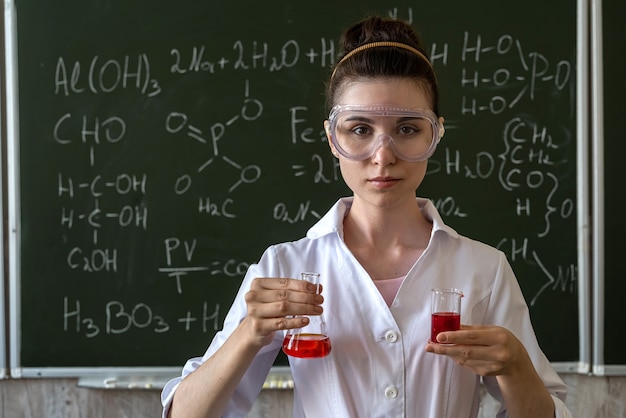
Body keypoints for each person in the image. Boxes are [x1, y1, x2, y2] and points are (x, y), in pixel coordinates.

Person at [161, 15, 573, 418]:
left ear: (435, 134)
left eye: (408, 128)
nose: (383, 155)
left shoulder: (483, 270)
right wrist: (248, 334)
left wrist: (517, 367)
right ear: (331, 138)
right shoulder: (286, 267)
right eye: (359, 129)